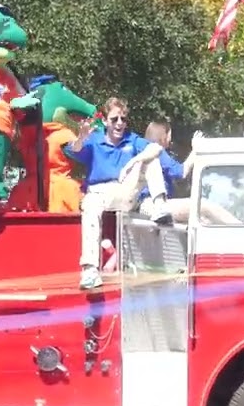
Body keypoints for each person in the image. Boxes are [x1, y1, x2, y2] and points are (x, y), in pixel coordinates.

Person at [65, 97, 184, 289]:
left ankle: (159, 206)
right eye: (114, 119)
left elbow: (155, 148)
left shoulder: (132, 139)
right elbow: (74, 150)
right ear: (105, 121)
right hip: (101, 192)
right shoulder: (93, 139)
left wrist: (133, 162)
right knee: (90, 206)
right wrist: (81, 136)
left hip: (126, 189)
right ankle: (90, 269)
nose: (120, 123)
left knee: (150, 157)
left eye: (123, 119)